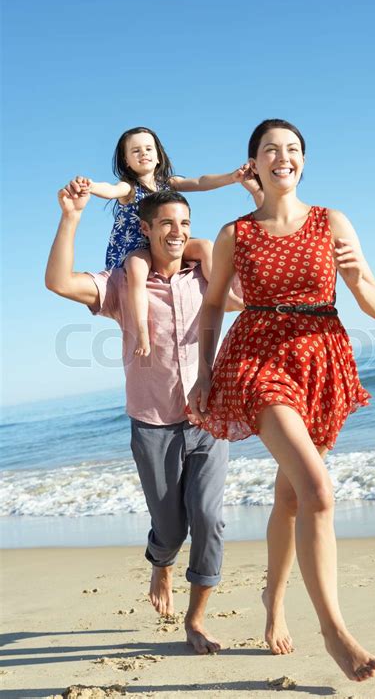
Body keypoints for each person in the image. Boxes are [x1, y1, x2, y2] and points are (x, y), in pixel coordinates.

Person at [188, 118, 375, 681]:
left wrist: (354, 278)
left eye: (293, 149)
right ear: (253, 163)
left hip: (322, 362)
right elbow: (210, 308)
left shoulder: (332, 221)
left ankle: (272, 604)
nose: (284, 156)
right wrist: (204, 373)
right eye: (270, 149)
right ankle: (335, 630)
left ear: (303, 161)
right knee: (318, 491)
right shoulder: (236, 233)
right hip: (258, 359)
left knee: (293, 498)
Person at [45, 185, 237, 654]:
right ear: (146, 229)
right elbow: (60, 282)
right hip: (152, 423)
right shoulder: (121, 285)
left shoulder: (205, 277)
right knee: (170, 529)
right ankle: (161, 560)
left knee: (209, 517)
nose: (178, 232)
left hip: (209, 419)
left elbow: (248, 297)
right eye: (167, 223)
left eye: (185, 224)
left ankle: (195, 619)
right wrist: (70, 217)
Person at [75, 126, 259, 356]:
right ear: (126, 160)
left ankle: (225, 297)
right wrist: (90, 186)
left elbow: (200, 182)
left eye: (148, 148)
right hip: (137, 247)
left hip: (169, 243)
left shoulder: (167, 183)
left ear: (158, 153)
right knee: (136, 269)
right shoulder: (128, 187)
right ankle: (141, 332)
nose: (144, 153)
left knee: (204, 245)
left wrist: (232, 178)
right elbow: (110, 190)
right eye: (136, 151)